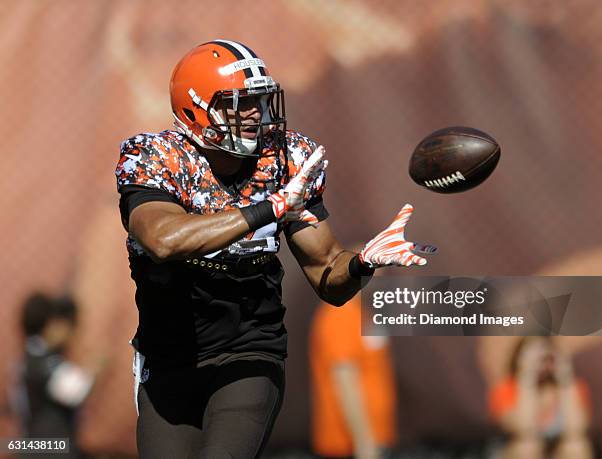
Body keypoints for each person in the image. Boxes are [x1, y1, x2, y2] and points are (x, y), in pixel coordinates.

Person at [115, 39, 432, 459]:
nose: (254, 114)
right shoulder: (156, 157)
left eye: (259, 101)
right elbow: (163, 239)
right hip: (169, 360)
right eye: (238, 103)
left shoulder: (284, 158)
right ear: (196, 109)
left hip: (248, 352)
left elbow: (328, 278)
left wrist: (360, 263)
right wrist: (271, 208)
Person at [310, 294, 396, 459]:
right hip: (349, 448)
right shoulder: (340, 314)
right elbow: (344, 381)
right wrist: (364, 442)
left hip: (374, 443)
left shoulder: (362, 311)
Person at [12, 293, 94, 459]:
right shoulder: (41, 361)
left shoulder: (28, 357)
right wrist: (94, 369)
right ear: (48, 325)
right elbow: (74, 390)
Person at [489, 336, 593, 459]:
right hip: (515, 449)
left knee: (576, 446)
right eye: (533, 356)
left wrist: (565, 378)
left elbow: (577, 429)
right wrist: (527, 378)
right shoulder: (507, 388)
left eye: (545, 355)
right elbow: (523, 428)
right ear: (518, 358)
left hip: (557, 449)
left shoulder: (570, 387)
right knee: (527, 447)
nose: (540, 362)